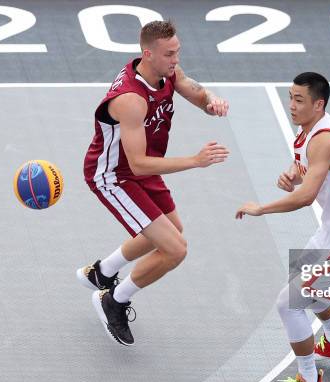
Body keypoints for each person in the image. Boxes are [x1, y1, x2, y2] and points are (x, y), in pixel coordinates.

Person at [78, 20, 229, 346]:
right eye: (169, 54)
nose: (175, 59)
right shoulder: (131, 99)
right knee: (175, 249)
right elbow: (139, 163)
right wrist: (195, 160)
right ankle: (113, 300)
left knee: (171, 231)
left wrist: (211, 102)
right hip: (115, 176)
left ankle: (101, 271)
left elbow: (190, 86)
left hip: (140, 171)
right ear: (148, 54)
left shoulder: (165, 71)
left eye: (177, 52)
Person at [235, 72, 330, 382]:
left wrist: (261, 208)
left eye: (299, 100)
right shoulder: (308, 133)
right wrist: (293, 173)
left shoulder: (324, 139)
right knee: (302, 287)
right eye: (290, 97)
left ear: (319, 104)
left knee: (289, 303)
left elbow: (305, 197)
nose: (292, 106)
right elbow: (309, 168)